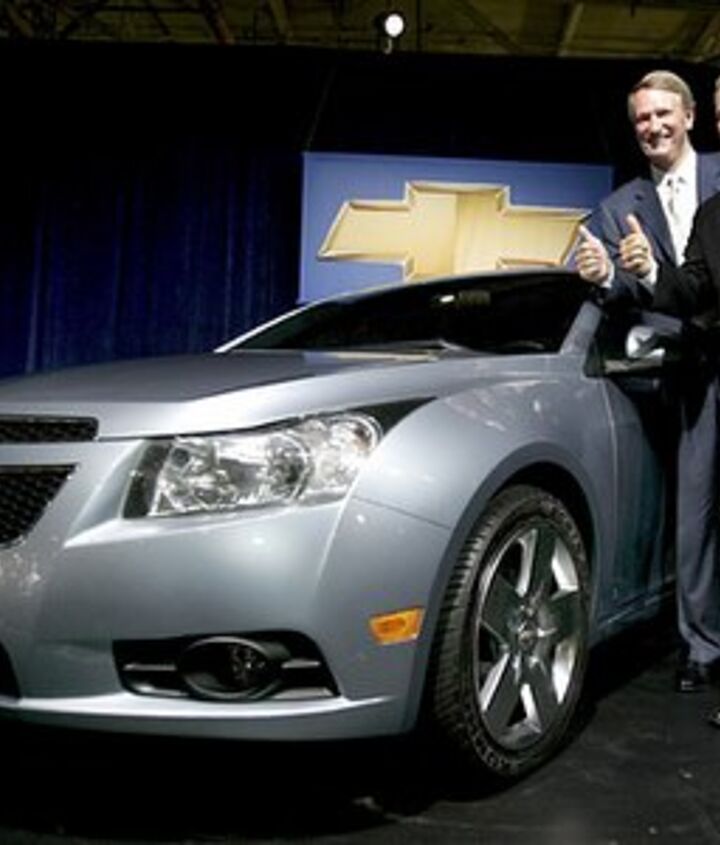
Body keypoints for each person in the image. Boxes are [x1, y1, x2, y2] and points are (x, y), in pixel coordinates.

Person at [576, 70, 720, 694]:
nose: (654, 126)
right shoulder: (618, 208)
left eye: (664, 114)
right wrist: (608, 274)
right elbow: (627, 291)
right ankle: (703, 646)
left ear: (690, 116)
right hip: (684, 377)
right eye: (642, 118)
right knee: (695, 519)